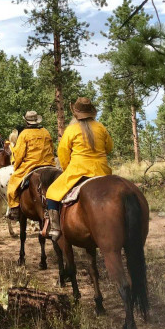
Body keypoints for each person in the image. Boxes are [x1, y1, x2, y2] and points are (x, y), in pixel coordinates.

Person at [44, 97, 113, 240]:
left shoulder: (71, 129)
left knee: (51, 192)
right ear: (91, 112)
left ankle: (56, 228)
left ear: (75, 114)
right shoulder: (101, 127)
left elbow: (63, 153)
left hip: (78, 171)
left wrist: (66, 169)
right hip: (102, 171)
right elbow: (109, 148)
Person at [6, 111, 56, 221]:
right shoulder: (45, 132)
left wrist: (16, 166)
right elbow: (52, 148)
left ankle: (15, 208)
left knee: (12, 184)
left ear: (26, 121)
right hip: (49, 164)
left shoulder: (24, 134)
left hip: (30, 165)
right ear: (37, 120)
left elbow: (19, 154)